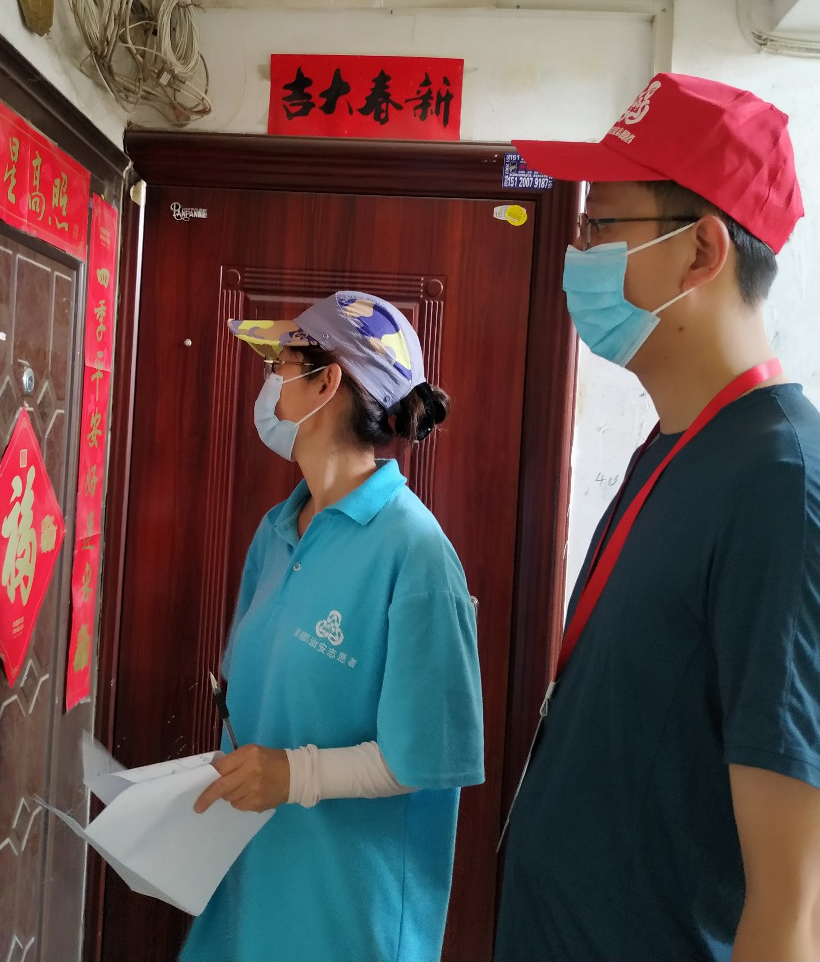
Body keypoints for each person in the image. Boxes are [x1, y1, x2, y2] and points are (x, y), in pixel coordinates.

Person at [495, 73, 820, 962]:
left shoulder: (781, 486)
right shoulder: (678, 445)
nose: (577, 252)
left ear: (701, 250)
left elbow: (793, 905)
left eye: (599, 226)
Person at [179, 291, 485, 962]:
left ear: (326, 383)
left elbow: (423, 758)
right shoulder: (277, 531)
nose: (269, 384)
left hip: (346, 921)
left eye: (281, 365)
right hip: (247, 899)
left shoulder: (417, 555)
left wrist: (295, 776)